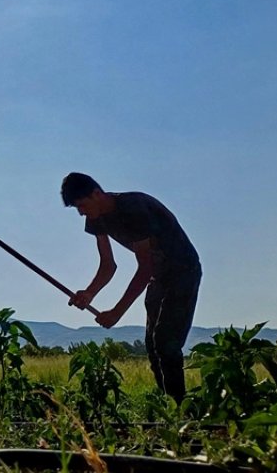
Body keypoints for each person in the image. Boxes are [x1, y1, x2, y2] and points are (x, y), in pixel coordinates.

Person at [61, 172, 201, 403]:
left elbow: (144, 269)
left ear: (97, 194)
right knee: (153, 347)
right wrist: (89, 293)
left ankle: (181, 410)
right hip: (159, 276)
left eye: (82, 205)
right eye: (77, 208)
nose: (81, 212)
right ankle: (169, 406)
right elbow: (108, 265)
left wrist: (117, 312)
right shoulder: (96, 219)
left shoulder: (134, 208)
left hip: (182, 272)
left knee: (166, 342)